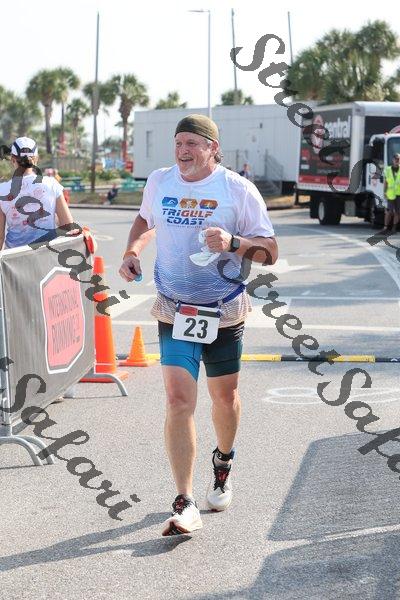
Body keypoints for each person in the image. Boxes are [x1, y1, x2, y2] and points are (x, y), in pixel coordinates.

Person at [119, 114, 278, 536]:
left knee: (224, 398)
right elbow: (144, 219)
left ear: (212, 148)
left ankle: (223, 462)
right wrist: (132, 250)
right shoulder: (160, 181)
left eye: (192, 143)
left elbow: (270, 251)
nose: (183, 151)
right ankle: (184, 500)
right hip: (174, 308)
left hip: (223, 309)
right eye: (178, 143)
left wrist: (234, 243)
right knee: (177, 400)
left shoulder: (236, 189)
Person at [0, 137, 74, 249]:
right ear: (36, 159)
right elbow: (68, 227)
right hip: (46, 254)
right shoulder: (51, 184)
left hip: (14, 256)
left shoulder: (2, 190)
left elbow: (0, 238)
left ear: (13, 159)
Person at [383, 153, 400, 234]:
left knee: (398, 212)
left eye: (398, 159)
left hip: (399, 194)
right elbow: (385, 182)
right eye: (396, 159)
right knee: (389, 211)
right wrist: (384, 192)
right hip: (390, 194)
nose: (397, 160)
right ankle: (385, 227)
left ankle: (394, 228)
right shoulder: (388, 169)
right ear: (393, 160)